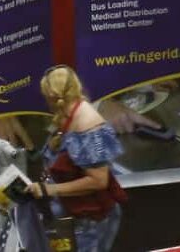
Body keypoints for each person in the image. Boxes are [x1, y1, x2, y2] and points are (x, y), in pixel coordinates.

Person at [29, 65, 126, 251]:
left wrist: (50, 189)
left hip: (86, 225)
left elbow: (98, 181)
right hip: (67, 215)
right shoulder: (67, 114)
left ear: (51, 97)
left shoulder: (89, 127)